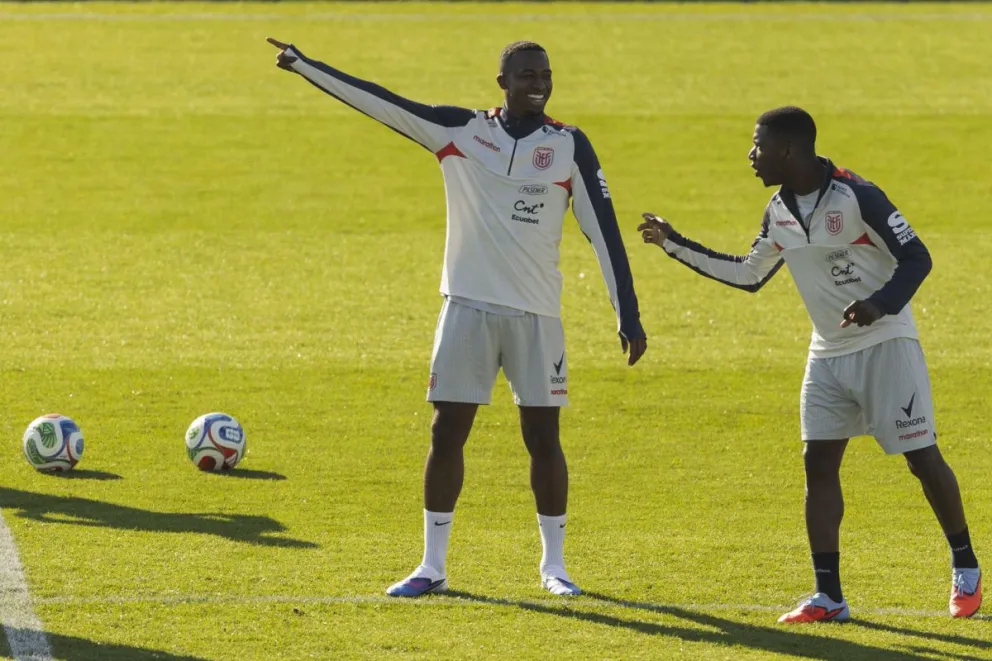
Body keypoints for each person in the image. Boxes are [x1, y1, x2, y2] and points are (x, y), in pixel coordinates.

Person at [268, 38, 647, 597]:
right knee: (447, 434)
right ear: (502, 81)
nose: (537, 84)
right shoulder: (461, 132)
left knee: (544, 439)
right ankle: (432, 566)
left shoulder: (569, 146)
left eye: (545, 74)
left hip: (536, 315)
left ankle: (555, 567)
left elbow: (604, 230)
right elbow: (383, 103)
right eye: (525, 75)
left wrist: (627, 313)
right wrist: (306, 66)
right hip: (466, 307)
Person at [638, 106, 980, 622]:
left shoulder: (858, 195)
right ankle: (829, 596)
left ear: (790, 150)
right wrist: (673, 243)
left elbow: (919, 257)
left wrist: (878, 305)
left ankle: (966, 567)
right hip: (827, 352)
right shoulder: (778, 211)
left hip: (886, 342)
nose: (751, 156)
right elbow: (750, 275)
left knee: (920, 457)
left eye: (759, 146)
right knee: (817, 463)